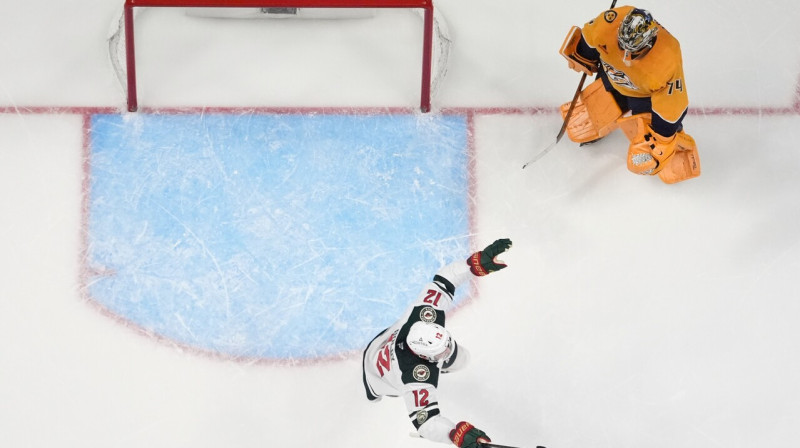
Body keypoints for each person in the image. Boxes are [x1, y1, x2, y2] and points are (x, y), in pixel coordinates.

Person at [362, 239, 513, 447]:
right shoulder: (414, 377)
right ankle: (372, 393)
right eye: (441, 354)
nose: (448, 351)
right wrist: (454, 434)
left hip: (384, 342)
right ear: (425, 358)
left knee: (461, 359)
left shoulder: (426, 314)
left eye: (446, 344)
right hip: (378, 378)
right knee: (374, 395)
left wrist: (474, 265)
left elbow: (446, 278)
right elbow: (426, 424)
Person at [558, 5, 701, 184]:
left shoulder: (666, 60)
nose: (625, 56)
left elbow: (673, 106)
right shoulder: (608, 23)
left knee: (653, 138)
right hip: (612, 77)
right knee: (596, 106)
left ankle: (675, 151)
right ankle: (610, 107)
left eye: (632, 52)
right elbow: (590, 38)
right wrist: (582, 55)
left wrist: (662, 138)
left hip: (643, 96)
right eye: (621, 46)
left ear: (648, 43)